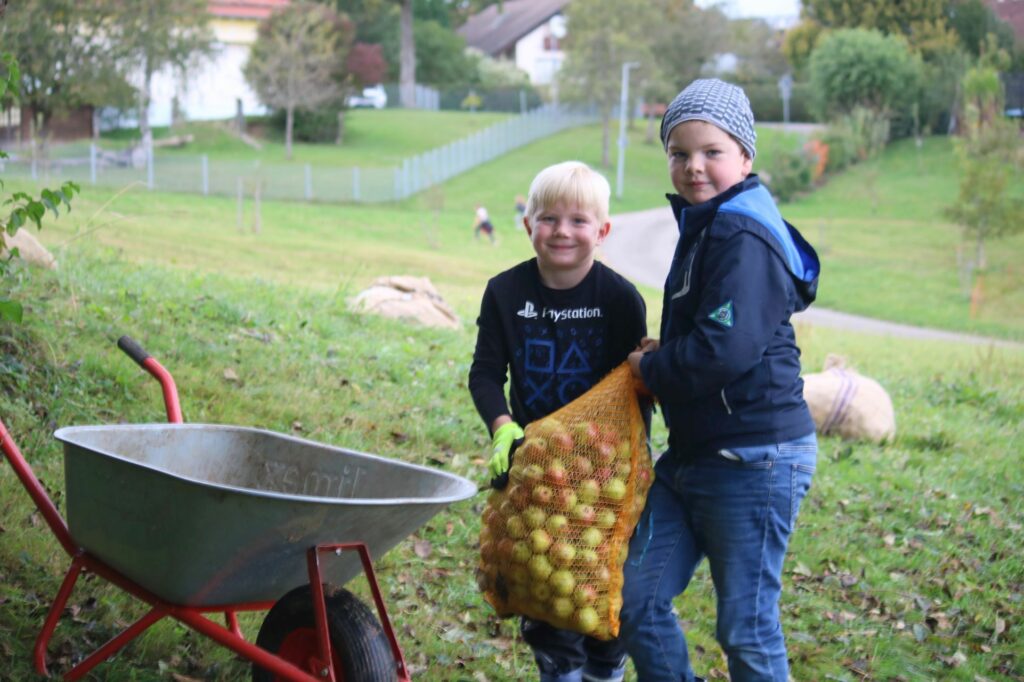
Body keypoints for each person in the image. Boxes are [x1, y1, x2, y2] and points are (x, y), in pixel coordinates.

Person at [620, 78, 821, 682]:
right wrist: (668, 347)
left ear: (745, 156)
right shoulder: (709, 223)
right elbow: (716, 329)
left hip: (755, 457)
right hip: (694, 458)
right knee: (632, 600)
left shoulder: (740, 230)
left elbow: (725, 350)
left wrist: (648, 368)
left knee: (747, 628)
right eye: (679, 153)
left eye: (711, 152)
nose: (694, 167)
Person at [469, 161, 648, 682]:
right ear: (527, 224)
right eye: (547, 218)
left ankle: (606, 671)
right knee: (545, 592)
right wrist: (503, 426)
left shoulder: (619, 299)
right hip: (536, 472)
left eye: (578, 221)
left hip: (600, 476)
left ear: (602, 230)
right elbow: (485, 373)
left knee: (601, 590)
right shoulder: (504, 292)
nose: (562, 232)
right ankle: (558, 669)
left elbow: (633, 390)